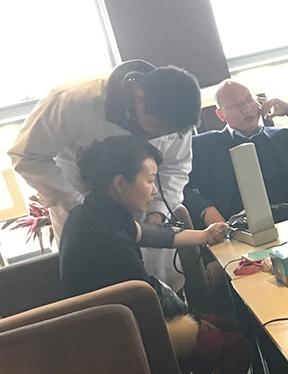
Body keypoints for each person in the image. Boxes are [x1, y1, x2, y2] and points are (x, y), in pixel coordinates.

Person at [59, 134, 258, 374]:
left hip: (110, 327)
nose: (154, 190)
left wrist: (204, 235)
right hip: (122, 341)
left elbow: (151, 234)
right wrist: (193, 319)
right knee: (235, 347)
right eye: (150, 180)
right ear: (120, 183)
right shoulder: (108, 240)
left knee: (226, 327)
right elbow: (147, 298)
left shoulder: (92, 214)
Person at [8, 60, 202, 288]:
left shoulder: (174, 114)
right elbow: (26, 156)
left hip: (145, 216)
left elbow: (176, 167)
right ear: (139, 97)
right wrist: (83, 206)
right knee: (108, 295)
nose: (160, 135)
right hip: (84, 222)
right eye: (156, 127)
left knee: (160, 290)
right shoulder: (73, 100)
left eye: (168, 133)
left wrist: (157, 212)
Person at [183, 80, 288, 229]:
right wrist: (206, 210)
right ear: (221, 115)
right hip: (236, 228)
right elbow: (180, 186)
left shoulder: (283, 136)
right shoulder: (202, 146)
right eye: (236, 105)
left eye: (249, 100)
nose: (247, 109)